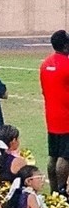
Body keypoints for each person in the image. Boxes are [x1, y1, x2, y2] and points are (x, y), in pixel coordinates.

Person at [39, 30, 69, 194]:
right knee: (65, 157)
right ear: (65, 46)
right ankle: (62, 189)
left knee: (53, 155)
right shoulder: (67, 65)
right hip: (66, 117)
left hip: (51, 116)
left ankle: (53, 190)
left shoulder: (45, 64)